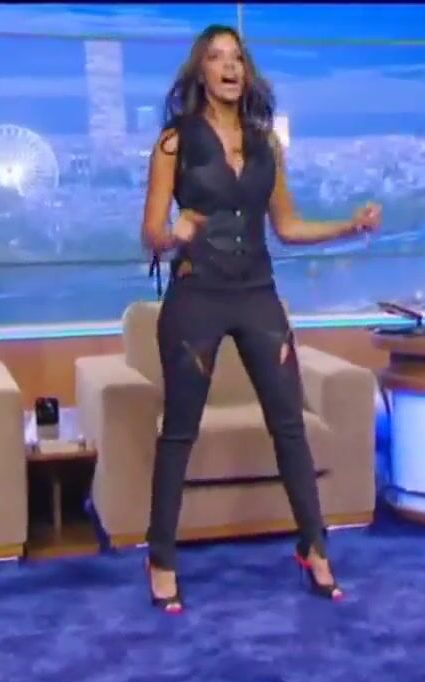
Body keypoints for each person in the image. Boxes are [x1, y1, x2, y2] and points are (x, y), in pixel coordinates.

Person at [139, 24, 382, 614]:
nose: (229, 67)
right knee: (180, 432)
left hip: (257, 294)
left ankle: (314, 549)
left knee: (289, 425)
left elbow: (288, 227)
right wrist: (175, 234)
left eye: (237, 58)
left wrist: (348, 226)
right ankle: (161, 557)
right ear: (200, 72)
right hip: (196, 297)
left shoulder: (266, 143)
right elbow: (150, 235)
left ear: (246, 72)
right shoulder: (174, 142)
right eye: (217, 58)